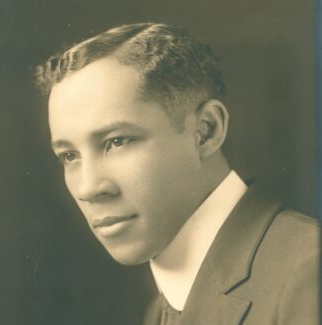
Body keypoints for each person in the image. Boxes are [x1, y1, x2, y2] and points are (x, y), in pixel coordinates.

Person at [35, 23, 319, 324]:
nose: (88, 188)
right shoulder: (159, 311)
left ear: (206, 131)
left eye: (116, 142)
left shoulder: (308, 273)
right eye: (69, 156)